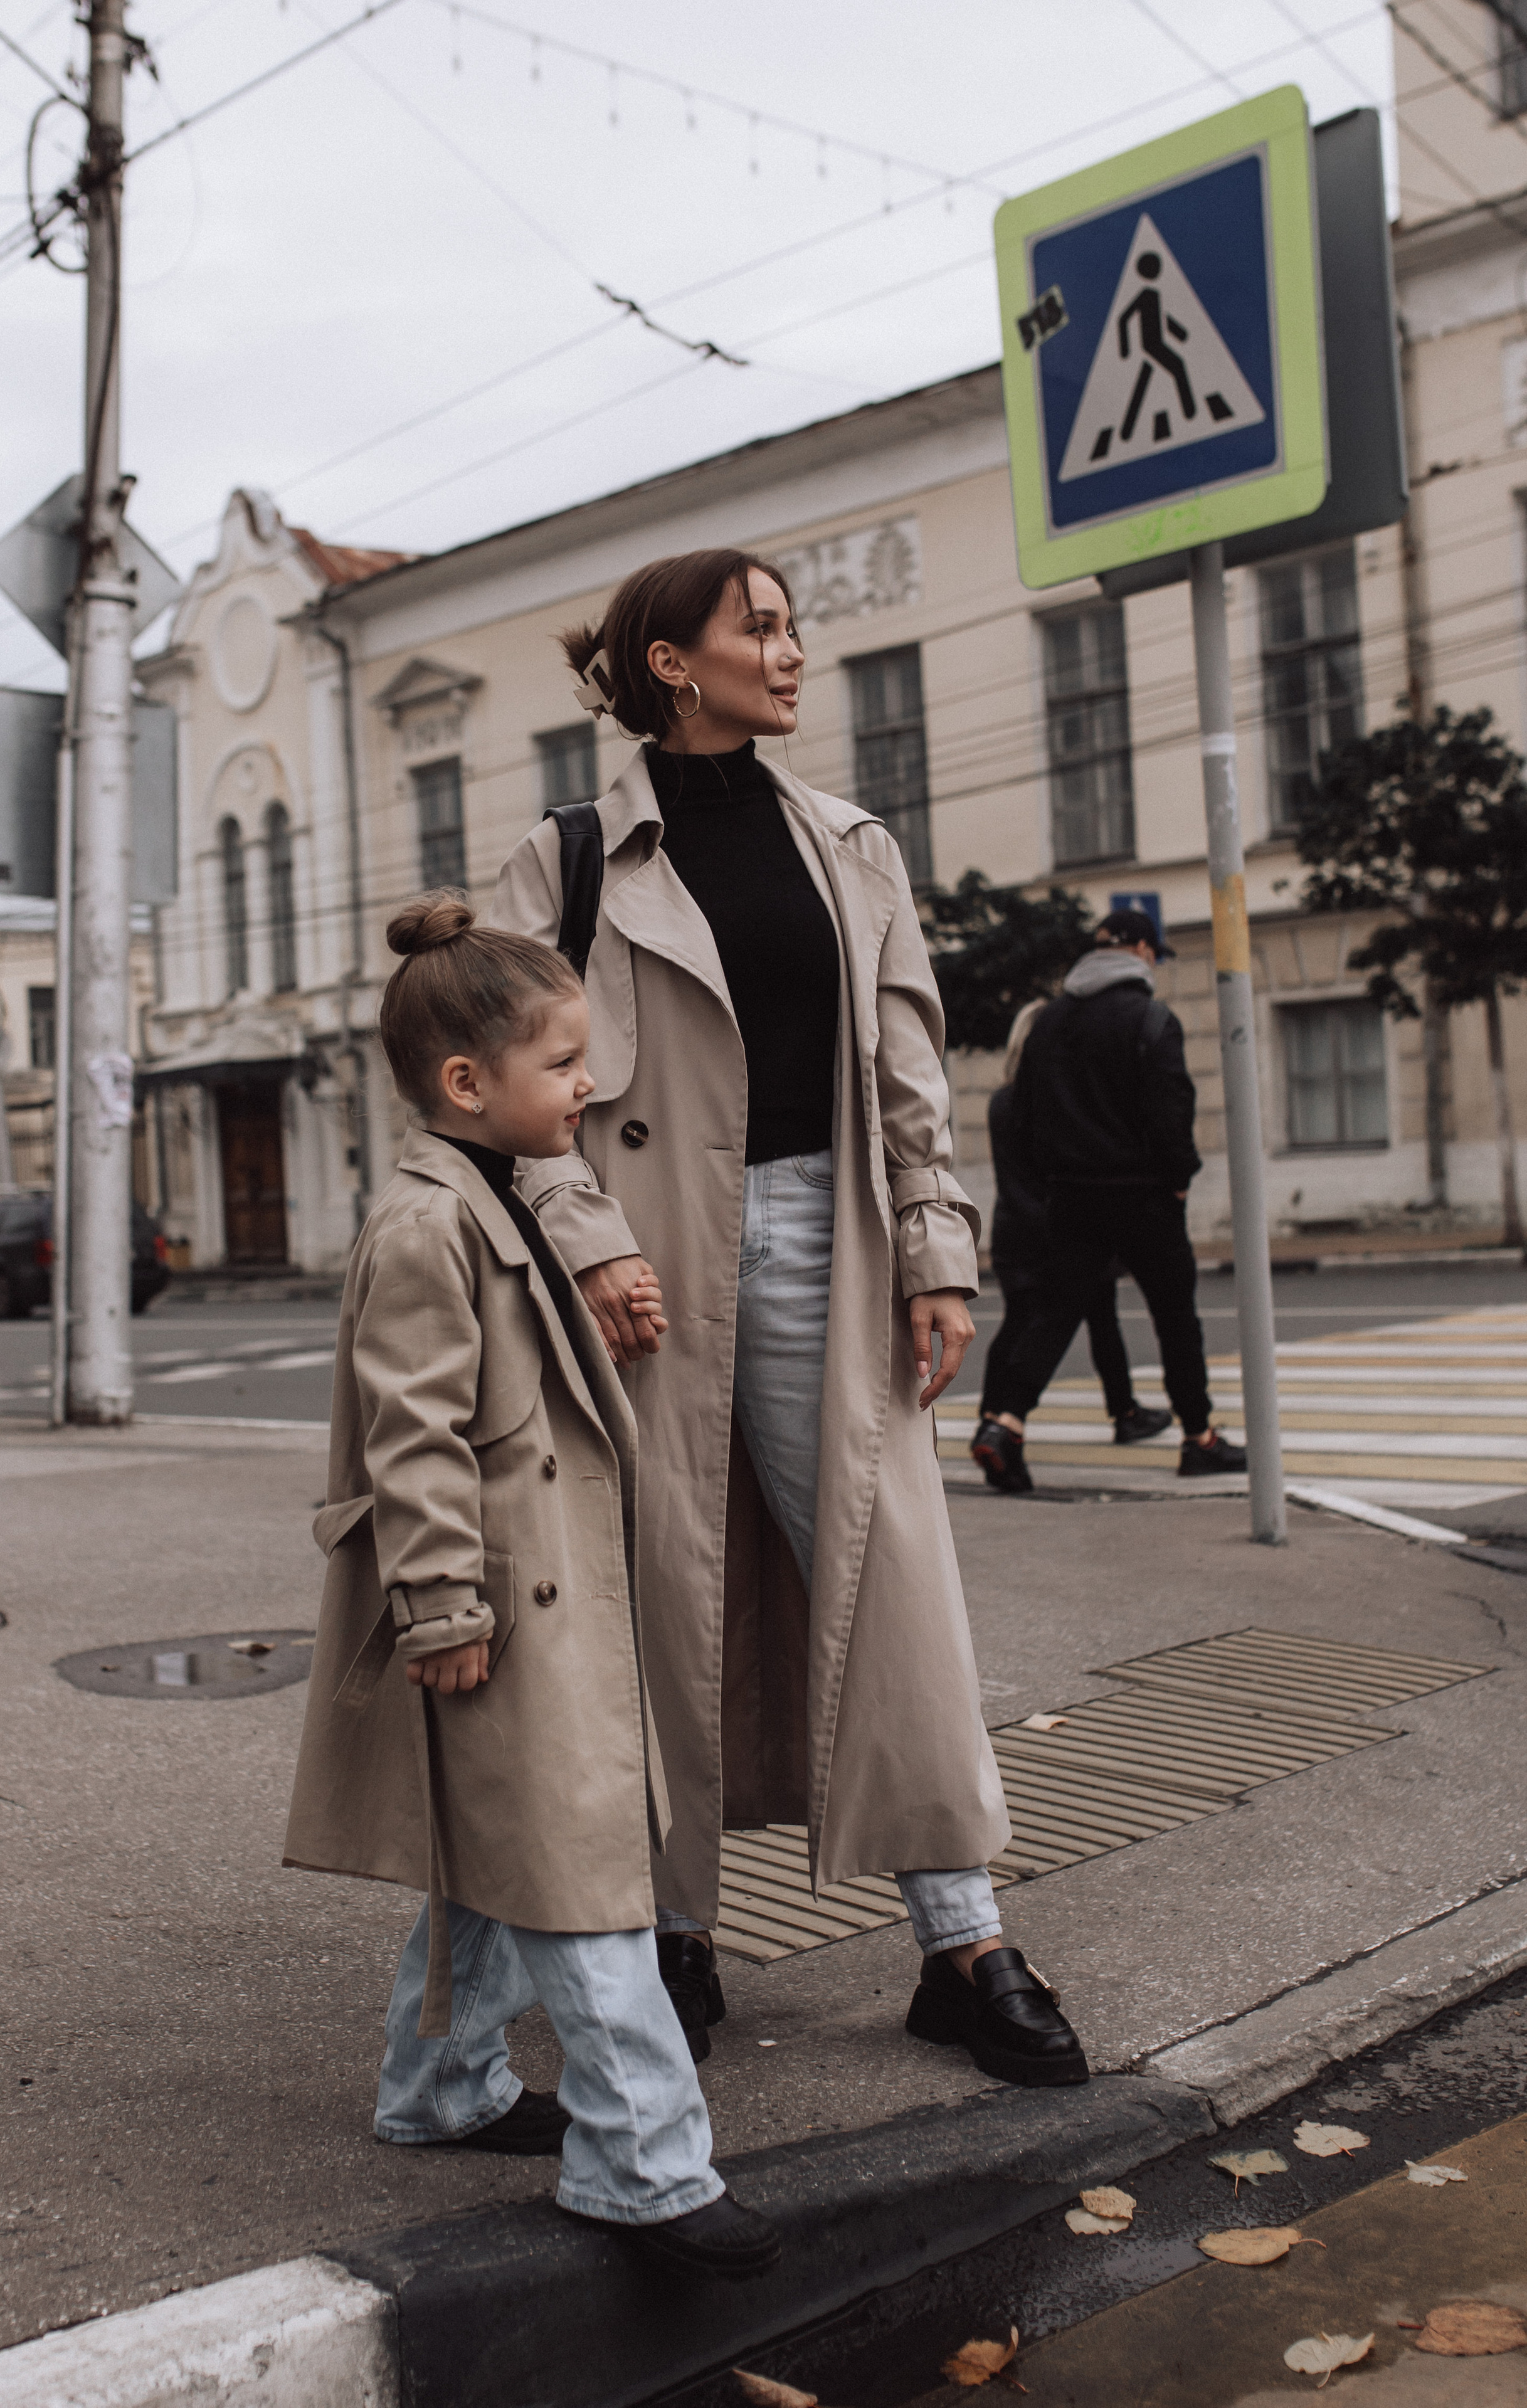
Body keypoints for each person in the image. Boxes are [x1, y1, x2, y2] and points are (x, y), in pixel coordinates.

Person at [489, 547, 1087, 2093]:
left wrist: (936, 1247)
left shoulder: (846, 842)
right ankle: (672, 1928)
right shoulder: (564, 859)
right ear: (670, 663)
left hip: (834, 1227)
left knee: (885, 1575)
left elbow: (906, 1065)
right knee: (661, 1589)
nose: (791, 649)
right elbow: (496, 1093)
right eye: (758, 626)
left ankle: (963, 1938)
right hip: (643, 1253)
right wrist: (586, 1237)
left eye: (787, 624)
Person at [282, 895, 780, 2280]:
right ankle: (647, 2172)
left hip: (545, 1599)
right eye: (562, 1065)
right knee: (584, 1890)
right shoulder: (424, 1229)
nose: (586, 1085)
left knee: (503, 1864)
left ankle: (437, 2091)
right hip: (495, 1607)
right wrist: (438, 1604)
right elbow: (411, 1436)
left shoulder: (504, 1194)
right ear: (466, 1085)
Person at [973, 909, 1247, 1495]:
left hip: (1072, 1198)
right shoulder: (1150, 1019)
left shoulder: (1048, 1024)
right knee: (1175, 1318)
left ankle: (1003, 1426)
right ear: (1144, 952)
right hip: (1144, 1196)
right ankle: (1199, 1440)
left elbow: (1026, 1116)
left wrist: (1057, 1179)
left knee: (1053, 1316)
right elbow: (1171, 1110)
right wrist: (1179, 1177)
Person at [973, 998, 1172, 1495]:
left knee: (1026, 1324)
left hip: (1013, 1228)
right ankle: (1105, 1413)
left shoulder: (1001, 1100)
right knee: (1086, 1320)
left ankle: (995, 1419)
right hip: (1061, 1228)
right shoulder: (1050, 1102)